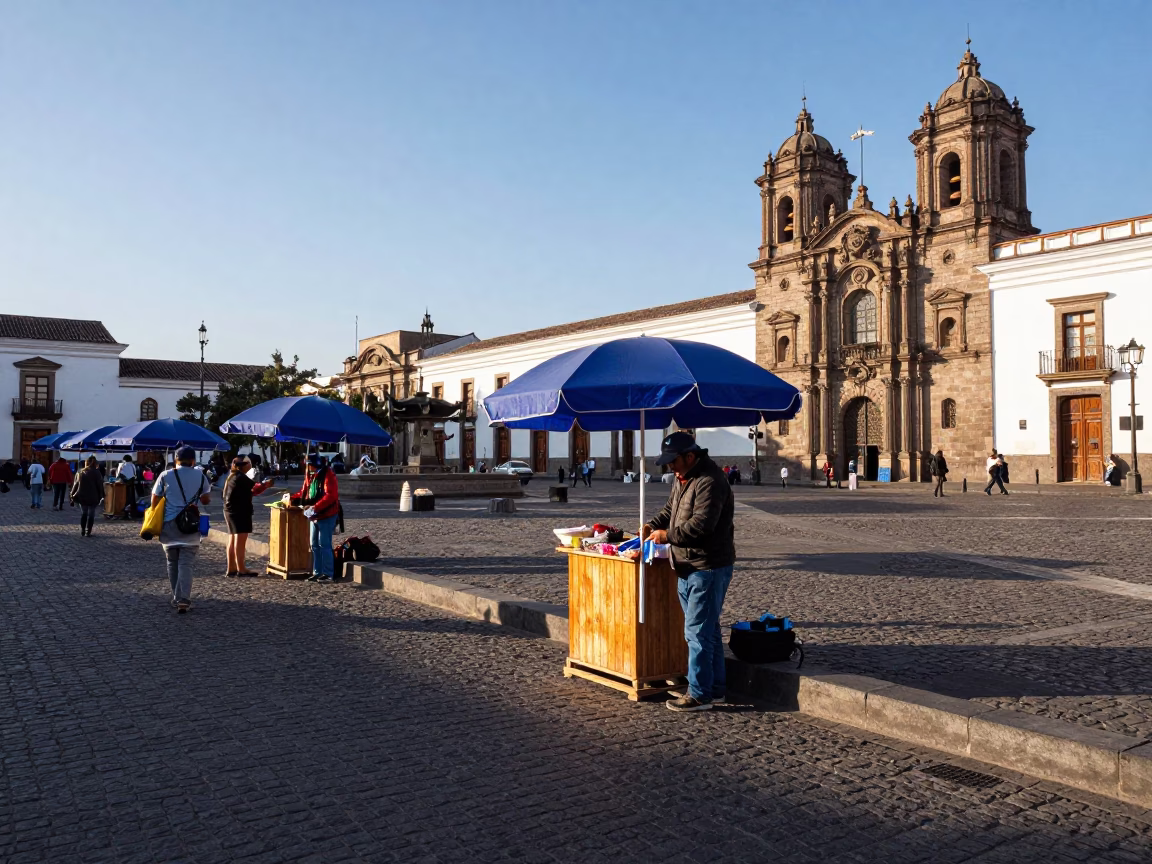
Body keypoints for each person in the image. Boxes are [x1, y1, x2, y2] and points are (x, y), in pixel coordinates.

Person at [641, 432, 735, 713]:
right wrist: (651, 524)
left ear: (690, 457)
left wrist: (665, 536)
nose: (671, 467)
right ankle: (714, 689)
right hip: (686, 564)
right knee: (708, 631)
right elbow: (671, 510)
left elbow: (701, 526)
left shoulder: (710, 481)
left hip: (706, 566)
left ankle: (699, 694)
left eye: (674, 461)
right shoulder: (684, 478)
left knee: (697, 633)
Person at [151, 446, 212, 613]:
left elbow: (155, 497)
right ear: (193, 461)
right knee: (186, 564)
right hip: (191, 524)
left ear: (176, 460)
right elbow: (206, 499)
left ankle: (177, 597)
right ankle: (183, 599)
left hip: (169, 523)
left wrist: (154, 513)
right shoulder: (200, 476)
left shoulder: (165, 475)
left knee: (172, 562)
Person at [292, 454, 341, 583]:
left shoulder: (328, 475)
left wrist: (314, 507)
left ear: (314, 464)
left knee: (324, 543)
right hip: (314, 514)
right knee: (314, 544)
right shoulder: (310, 475)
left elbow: (330, 496)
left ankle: (328, 573)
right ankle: (317, 571)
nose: (306, 467)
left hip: (326, 514)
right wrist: (292, 498)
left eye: (308, 464)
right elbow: (304, 492)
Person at [222, 456, 274, 577]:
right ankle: (241, 568)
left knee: (233, 539)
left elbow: (250, 491)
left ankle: (231, 568)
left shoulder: (232, 476)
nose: (250, 465)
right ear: (244, 465)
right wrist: (267, 484)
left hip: (230, 510)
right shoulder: (240, 477)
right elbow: (255, 488)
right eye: (249, 463)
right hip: (239, 511)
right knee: (240, 539)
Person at [70, 456, 104, 536]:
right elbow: (100, 485)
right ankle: (88, 531)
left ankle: (82, 529)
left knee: (84, 513)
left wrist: (72, 494)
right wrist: (102, 495)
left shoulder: (80, 472)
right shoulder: (97, 473)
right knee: (91, 514)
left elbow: (75, 485)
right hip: (93, 496)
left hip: (82, 496)